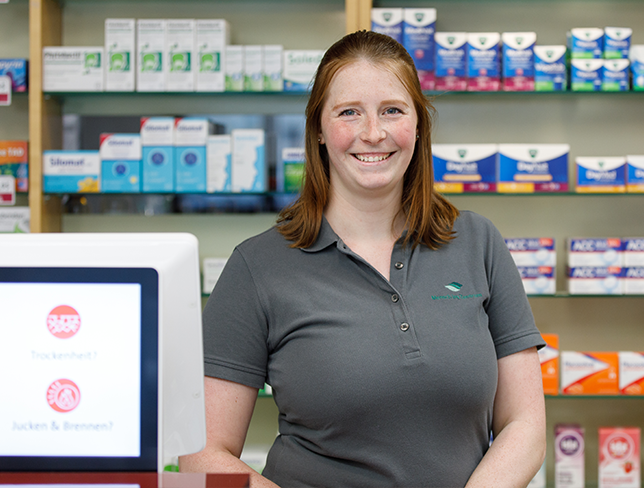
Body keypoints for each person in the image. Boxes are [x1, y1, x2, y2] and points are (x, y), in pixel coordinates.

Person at [180, 30, 546, 487]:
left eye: (392, 110)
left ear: (418, 125)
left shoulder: (476, 242)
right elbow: (199, 457)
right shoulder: (258, 266)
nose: (373, 133)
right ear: (318, 128)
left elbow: (526, 426)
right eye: (349, 112)